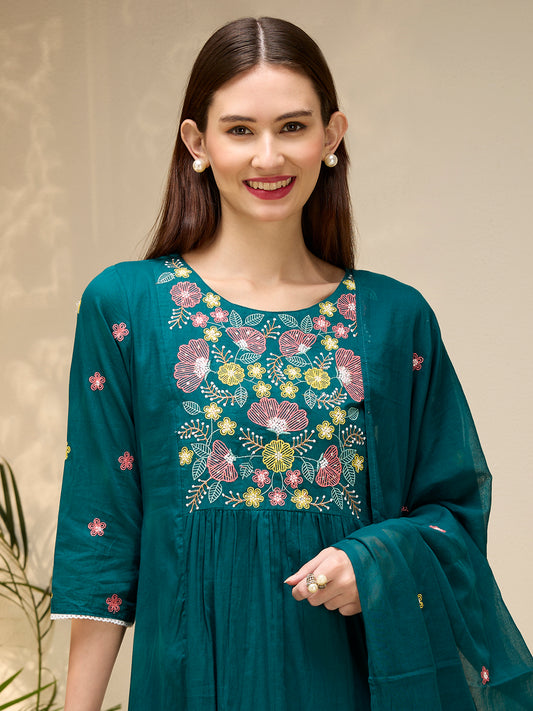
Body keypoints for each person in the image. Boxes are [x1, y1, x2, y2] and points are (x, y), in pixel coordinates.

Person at [51, 16, 533, 711]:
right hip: (190, 684)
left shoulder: (393, 318)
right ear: (197, 142)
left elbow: (453, 511)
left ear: (331, 136)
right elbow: (102, 535)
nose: (268, 156)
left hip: (348, 683)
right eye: (240, 130)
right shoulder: (127, 305)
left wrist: (373, 561)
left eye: (293, 127)